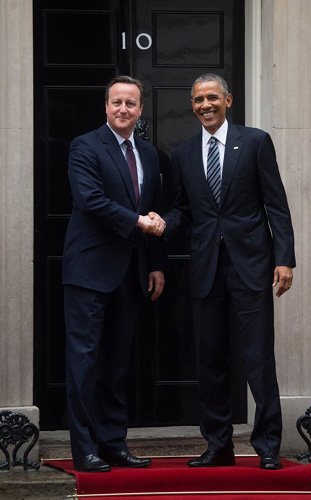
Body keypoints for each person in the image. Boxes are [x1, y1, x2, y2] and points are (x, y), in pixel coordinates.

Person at [161, 73, 295, 470]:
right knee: (211, 361)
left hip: (251, 267)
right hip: (206, 270)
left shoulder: (254, 142)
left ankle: (267, 445)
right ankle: (218, 445)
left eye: (213, 98)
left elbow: (277, 204)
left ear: (228, 100)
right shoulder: (183, 153)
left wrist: (284, 258)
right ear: (192, 105)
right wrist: (161, 223)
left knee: (257, 359)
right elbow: (182, 211)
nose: (206, 105)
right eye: (199, 99)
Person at [62, 75, 166, 472]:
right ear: (106, 107)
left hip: (132, 273)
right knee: (84, 363)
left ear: (140, 110)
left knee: (117, 364)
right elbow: (90, 200)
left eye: (131, 104)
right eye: (117, 102)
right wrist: (140, 222)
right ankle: (85, 449)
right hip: (89, 271)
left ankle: (113, 443)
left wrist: (157, 263)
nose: (123, 109)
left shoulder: (150, 154)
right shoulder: (85, 146)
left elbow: (155, 208)